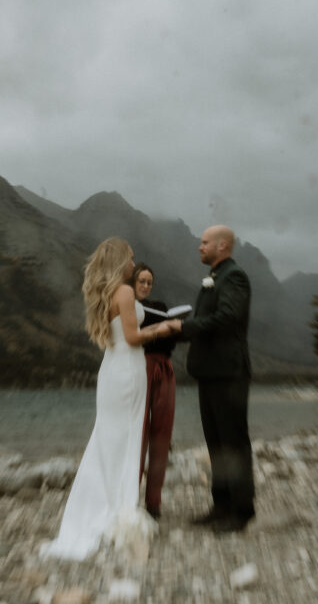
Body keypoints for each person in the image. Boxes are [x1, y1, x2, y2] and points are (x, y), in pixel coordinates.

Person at [41, 237, 172, 560]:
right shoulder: (125, 292)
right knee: (125, 442)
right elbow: (132, 336)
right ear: (118, 262)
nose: (133, 263)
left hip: (112, 370)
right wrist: (164, 328)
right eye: (129, 258)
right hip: (127, 370)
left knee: (108, 441)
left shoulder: (106, 293)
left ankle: (102, 506)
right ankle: (119, 510)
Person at [167, 225, 255, 533]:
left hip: (229, 372)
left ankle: (242, 511)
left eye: (204, 243)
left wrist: (185, 328)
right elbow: (209, 321)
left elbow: (228, 318)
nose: (199, 247)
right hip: (210, 372)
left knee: (233, 441)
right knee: (216, 442)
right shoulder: (215, 278)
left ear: (222, 245)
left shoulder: (235, 277)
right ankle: (221, 505)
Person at [132, 263, 178, 520]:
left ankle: (154, 501)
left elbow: (172, 338)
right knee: (138, 435)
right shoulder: (127, 306)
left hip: (165, 368)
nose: (146, 286)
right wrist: (161, 331)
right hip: (140, 369)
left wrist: (168, 330)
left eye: (149, 282)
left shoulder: (160, 307)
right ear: (133, 282)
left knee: (162, 435)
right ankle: (130, 497)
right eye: (142, 281)